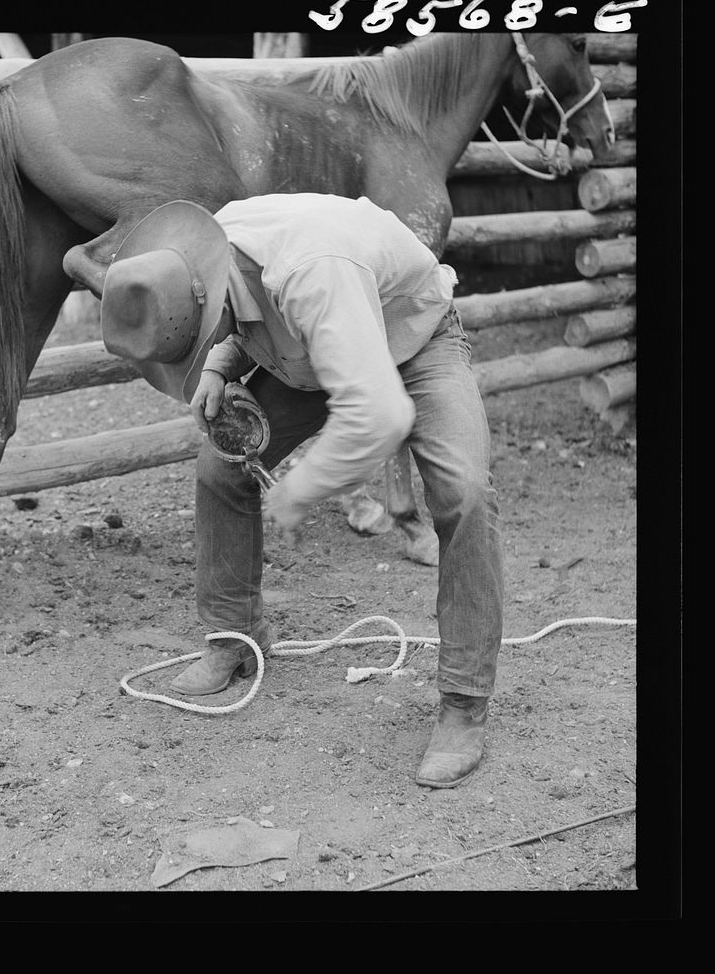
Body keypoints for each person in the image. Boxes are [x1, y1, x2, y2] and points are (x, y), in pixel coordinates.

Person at [100, 193, 504, 789]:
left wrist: (301, 490)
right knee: (222, 466)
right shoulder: (203, 255)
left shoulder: (311, 272)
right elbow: (240, 319)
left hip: (414, 339)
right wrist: (216, 367)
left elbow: (379, 414)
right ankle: (236, 637)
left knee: (464, 493)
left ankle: (464, 703)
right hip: (315, 353)